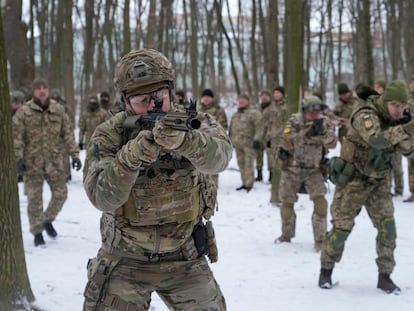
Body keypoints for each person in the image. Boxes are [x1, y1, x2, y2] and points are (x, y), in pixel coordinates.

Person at [82, 48, 231, 311]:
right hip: (126, 259)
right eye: (142, 99)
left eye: (159, 96)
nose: (153, 106)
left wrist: (187, 142)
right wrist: (130, 159)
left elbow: (219, 159)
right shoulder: (110, 134)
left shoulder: (194, 122)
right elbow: (102, 197)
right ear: (126, 101)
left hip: (185, 258)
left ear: (171, 93)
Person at [319, 80, 414, 294]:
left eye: (403, 106)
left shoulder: (396, 121)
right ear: (385, 101)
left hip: (379, 183)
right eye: (395, 106)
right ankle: (326, 271)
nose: (399, 111)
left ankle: (385, 276)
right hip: (354, 180)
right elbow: (377, 140)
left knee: (388, 228)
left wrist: (409, 132)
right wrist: (405, 129)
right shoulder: (365, 114)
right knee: (341, 229)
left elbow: (409, 151)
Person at [13, 78, 82, 246]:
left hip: (55, 161)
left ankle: (46, 220)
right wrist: (18, 158)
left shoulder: (58, 110)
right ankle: (37, 232)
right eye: (38, 88)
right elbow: (17, 137)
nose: (42, 91)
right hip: (32, 162)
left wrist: (74, 155)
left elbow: (67, 134)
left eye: (44, 88)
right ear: (34, 91)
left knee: (61, 194)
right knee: (34, 199)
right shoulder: (24, 112)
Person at [276, 96, 337, 250]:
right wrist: (307, 132)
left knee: (321, 203)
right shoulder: (294, 121)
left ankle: (320, 240)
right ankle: (286, 235)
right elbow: (287, 140)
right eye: (311, 112)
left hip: (314, 170)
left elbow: (333, 143)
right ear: (304, 111)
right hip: (292, 169)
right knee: (287, 203)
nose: (314, 115)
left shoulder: (323, 122)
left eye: (317, 112)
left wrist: (322, 133)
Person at [229, 94, 263, 192]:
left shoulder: (254, 113)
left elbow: (259, 127)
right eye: (240, 100)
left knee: (248, 164)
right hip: (238, 143)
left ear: (248, 101)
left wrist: (257, 139)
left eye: (243, 100)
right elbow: (231, 129)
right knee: (241, 164)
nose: (241, 102)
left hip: (249, 144)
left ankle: (249, 183)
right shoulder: (236, 115)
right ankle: (244, 182)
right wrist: (230, 141)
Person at [269, 85, 289, 203]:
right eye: (274, 93)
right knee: (274, 166)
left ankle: (283, 194)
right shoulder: (271, 107)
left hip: (283, 140)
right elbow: (267, 123)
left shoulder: (286, 106)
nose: (276, 95)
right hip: (273, 141)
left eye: (278, 93)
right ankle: (275, 194)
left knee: (282, 166)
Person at [404, 75, 414, 202]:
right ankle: (413, 191)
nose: (412, 85)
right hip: (410, 137)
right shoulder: (406, 99)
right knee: (411, 165)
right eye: (411, 83)